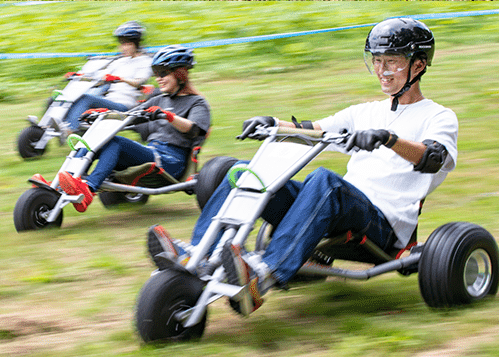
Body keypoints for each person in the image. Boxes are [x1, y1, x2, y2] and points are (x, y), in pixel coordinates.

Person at [158, 17, 456, 316]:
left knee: (325, 181)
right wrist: (273, 124)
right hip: (340, 209)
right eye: (377, 61)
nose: (381, 70)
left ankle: (263, 274)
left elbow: (432, 158)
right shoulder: (366, 111)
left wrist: (389, 139)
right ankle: (198, 254)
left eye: (391, 61)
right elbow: (314, 130)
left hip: (384, 224)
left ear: (417, 66)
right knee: (246, 173)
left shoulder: (438, 116)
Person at [55, 45, 211, 213]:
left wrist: (168, 116)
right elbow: (128, 116)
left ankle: (89, 189)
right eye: (157, 74)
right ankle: (65, 183)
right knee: (92, 142)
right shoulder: (159, 99)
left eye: (163, 73)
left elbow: (195, 130)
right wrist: (103, 113)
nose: (158, 78)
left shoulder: (197, 103)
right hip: (152, 151)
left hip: (171, 161)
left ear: (180, 74)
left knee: (116, 143)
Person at [56, 21, 154, 134]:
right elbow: (100, 77)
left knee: (86, 98)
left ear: (136, 44)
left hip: (124, 105)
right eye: (121, 44)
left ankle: (70, 128)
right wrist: (79, 76)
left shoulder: (145, 61)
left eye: (127, 44)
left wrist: (120, 78)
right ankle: (59, 123)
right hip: (109, 100)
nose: (122, 48)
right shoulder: (120, 61)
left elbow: (138, 82)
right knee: (75, 96)